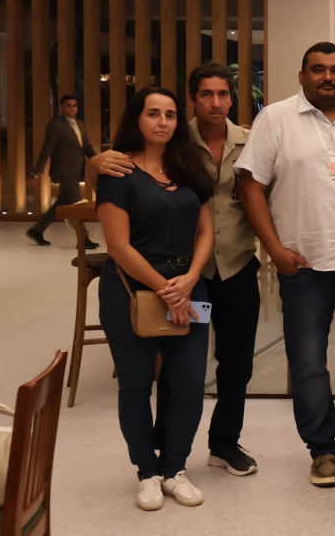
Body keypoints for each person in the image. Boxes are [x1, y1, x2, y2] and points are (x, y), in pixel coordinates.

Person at [237, 42, 335, 487]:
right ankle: (322, 449)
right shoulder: (275, 119)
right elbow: (250, 187)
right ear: (302, 75)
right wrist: (274, 249)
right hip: (306, 267)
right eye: (318, 69)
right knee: (309, 362)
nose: (328, 77)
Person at [94, 63, 264, 477]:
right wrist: (93, 163)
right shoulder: (175, 144)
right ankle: (160, 452)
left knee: (234, 365)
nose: (216, 102)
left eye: (223, 94)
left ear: (231, 98)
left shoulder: (251, 142)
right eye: (206, 94)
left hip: (232, 266)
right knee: (171, 372)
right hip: (184, 277)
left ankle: (222, 444)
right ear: (193, 99)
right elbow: (118, 228)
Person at [95, 87, 215, 510]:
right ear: (137, 119)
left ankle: (174, 468)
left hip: (188, 285)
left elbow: (206, 230)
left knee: (189, 384)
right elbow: (118, 246)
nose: (163, 121)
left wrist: (190, 279)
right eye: (153, 113)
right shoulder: (117, 171)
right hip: (131, 287)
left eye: (170, 114)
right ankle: (146, 471)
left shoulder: (190, 166)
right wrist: (168, 291)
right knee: (135, 385)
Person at [27, 94, 99, 248]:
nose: (72, 108)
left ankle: (37, 230)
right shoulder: (56, 125)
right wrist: (36, 173)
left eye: (75, 105)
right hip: (64, 171)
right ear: (61, 107)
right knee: (77, 205)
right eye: (68, 105)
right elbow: (47, 149)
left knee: (62, 202)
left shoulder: (79, 124)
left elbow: (85, 146)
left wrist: (98, 160)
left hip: (76, 170)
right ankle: (83, 239)